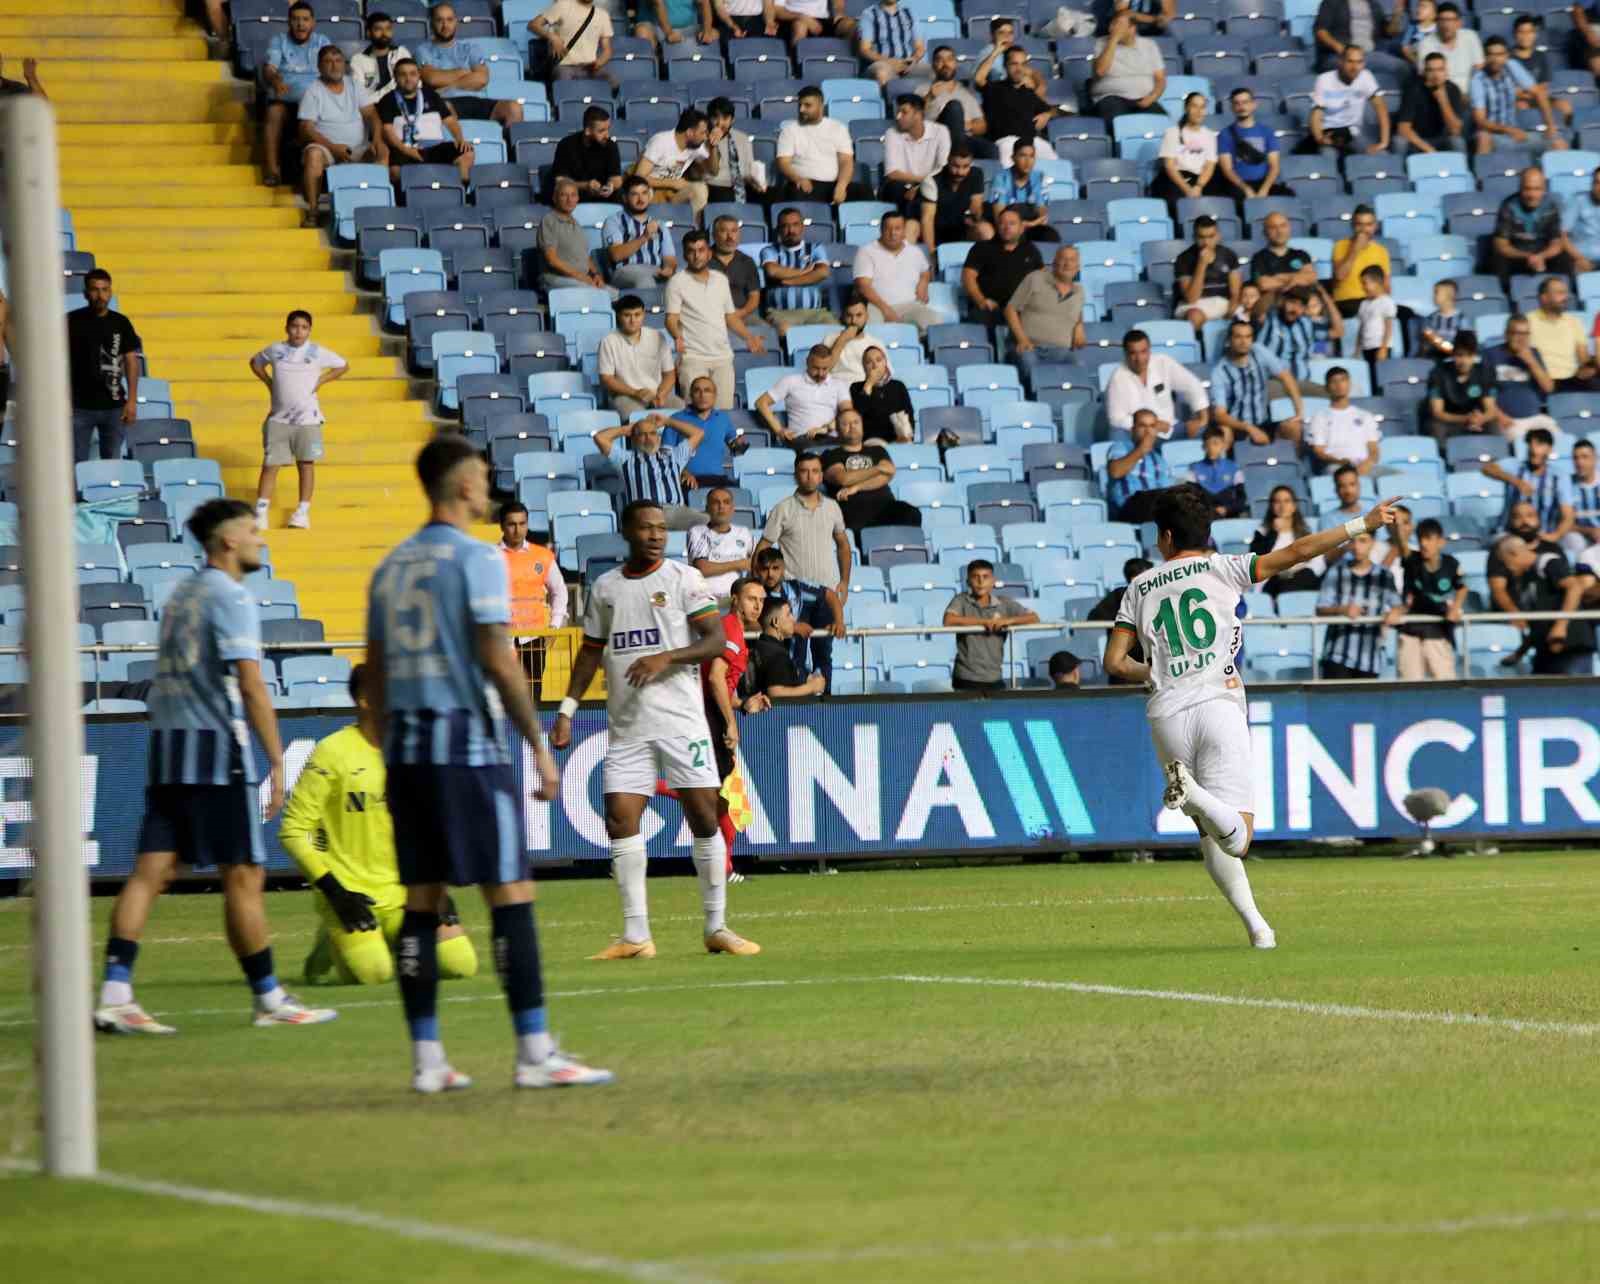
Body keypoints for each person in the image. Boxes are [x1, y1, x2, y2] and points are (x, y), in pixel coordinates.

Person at [1105, 486, 1403, 946]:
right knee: (1238, 838)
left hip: (1166, 715)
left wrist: (1154, 670)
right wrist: (1362, 524)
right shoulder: (1224, 568)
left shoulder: (1139, 587)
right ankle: (1195, 795)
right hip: (1217, 706)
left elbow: (1114, 663)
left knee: (1210, 838)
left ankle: (1258, 928)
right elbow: (1299, 551)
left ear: (1164, 537)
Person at [93, 497, 335, 1036]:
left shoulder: (182, 594)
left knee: (150, 872)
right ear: (227, 541)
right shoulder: (232, 596)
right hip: (214, 750)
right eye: (252, 530)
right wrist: (275, 760)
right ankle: (269, 996)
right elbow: (250, 682)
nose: (261, 537)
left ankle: (115, 991)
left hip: (169, 745)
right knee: (244, 874)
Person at [551, 499, 761, 959]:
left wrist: (668, 656)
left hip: (681, 722)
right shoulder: (605, 588)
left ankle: (716, 926)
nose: (656, 535)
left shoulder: (684, 579)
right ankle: (635, 935)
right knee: (620, 820)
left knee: (704, 817)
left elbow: (712, 641)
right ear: (627, 531)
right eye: (646, 528)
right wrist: (567, 709)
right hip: (627, 726)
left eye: (662, 529)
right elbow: (590, 652)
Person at [282, 665, 480, 988]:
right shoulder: (332, 752)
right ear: (364, 700)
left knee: (460, 965)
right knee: (375, 973)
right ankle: (332, 938)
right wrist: (335, 893)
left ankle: (380, 937)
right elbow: (292, 831)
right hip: (350, 893)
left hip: (404, 893)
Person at [754, 455, 852, 684]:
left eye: (815, 471)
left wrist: (845, 582)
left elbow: (843, 545)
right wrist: (760, 586)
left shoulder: (832, 507)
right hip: (793, 597)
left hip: (825, 595)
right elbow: (763, 548)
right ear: (796, 474)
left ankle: (824, 705)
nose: (810, 476)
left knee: (823, 655)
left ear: (821, 474)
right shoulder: (783, 509)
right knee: (793, 653)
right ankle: (795, 702)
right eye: (804, 471)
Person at [249, 309, 345, 533]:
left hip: (308, 419)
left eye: (304, 327)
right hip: (279, 418)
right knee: (271, 464)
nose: (298, 331)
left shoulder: (317, 351)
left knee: (306, 464)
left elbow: (343, 365)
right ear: (287, 328)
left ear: (309, 330)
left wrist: (322, 380)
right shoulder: (276, 350)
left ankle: (302, 511)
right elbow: (255, 362)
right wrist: (268, 382)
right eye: (294, 326)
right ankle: (261, 511)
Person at [666, 229, 767, 408]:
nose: (697, 256)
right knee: (695, 414)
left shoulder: (720, 279)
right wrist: (676, 335)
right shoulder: (676, 282)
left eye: (701, 250)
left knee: (723, 414)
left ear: (709, 253)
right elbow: (671, 319)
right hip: (693, 358)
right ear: (684, 255)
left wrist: (748, 337)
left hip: (723, 358)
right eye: (691, 251)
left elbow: (730, 317)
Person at [296, 46, 385, 227]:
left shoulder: (354, 85)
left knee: (382, 152)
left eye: (338, 61)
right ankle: (313, 211)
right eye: (328, 62)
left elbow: (372, 116)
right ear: (319, 66)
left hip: (358, 147)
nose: (334, 66)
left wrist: (376, 140)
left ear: (344, 65)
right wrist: (333, 148)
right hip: (327, 149)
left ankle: (378, 211)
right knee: (313, 155)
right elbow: (306, 129)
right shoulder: (313, 90)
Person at [1489, 533, 1597, 673]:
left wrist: (1560, 626)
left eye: (1505, 563)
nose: (1507, 569)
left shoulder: (1547, 562)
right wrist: (1519, 653)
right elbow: (1538, 623)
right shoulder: (1525, 581)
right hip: (1546, 652)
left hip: (1571, 647)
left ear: (1514, 553)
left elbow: (1574, 587)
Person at [67, 268, 141, 464]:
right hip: (78, 406)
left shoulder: (121, 322)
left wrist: (132, 400)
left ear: (111, 292)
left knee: (112, 463)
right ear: (85, 293)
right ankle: (76, 496)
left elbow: (131, 360)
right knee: (76, 463)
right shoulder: (70, 321)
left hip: (114, 406)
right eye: (95, 290)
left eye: (105, 289)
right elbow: (57, 361)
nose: (100, 295)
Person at [411, 1, 524, 128]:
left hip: (476, 100)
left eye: (449, 20)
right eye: (440, 20)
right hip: (445, 101)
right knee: (445, 109)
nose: (445, 25)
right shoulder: (423, 50)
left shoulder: (470, 48)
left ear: (456, 22)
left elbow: (482, 79)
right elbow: (432, 78)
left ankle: (504, 146)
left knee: (513, 108)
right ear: (431, 23)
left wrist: (448, 86)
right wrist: (464, 73)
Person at [260, 1, 331, 188]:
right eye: (296, 19)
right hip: (287, 101)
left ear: (313, 22)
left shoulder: (322, 41)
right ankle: (272, 170)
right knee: (274, 112)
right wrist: (275, 80)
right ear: (289, 22)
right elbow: (269, 68)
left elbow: (332, 69)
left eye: (305, 19)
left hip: (316, 103)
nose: (301, 24)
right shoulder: (279, 41)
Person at [820, 406, 922, 533]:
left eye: (856, 422)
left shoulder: (877, 450)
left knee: (911, 514)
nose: (852, 427)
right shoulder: (830, 455)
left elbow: (889, 472)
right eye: (845, 423)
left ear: (862, 425)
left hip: (885, 508)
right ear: (838, 429)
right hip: (854, 512)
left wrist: (856, 487)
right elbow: (843, 478)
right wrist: (878, 468)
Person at [594, 413, 704, 530]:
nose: (648, 437)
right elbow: (599, 438)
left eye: (652, 433)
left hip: (675, 512)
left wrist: (668, 422)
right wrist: (624, 429)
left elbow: (698, 433)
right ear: (633, 438)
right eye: (642, 434)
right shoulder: (625, 459)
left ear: (658, 437)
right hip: (645, 513)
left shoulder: (674, 456)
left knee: (707, 523)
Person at [1316, 529, 1402, 678]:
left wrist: (1396, 611)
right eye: (1353, 541)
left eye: (1363, 541)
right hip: (1337, 657)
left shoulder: (1384, 575)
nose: (1357, 546)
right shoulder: (1336, 572)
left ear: (1372, 543)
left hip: (1370, 659)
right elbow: (1320, 609)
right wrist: (1341, 610)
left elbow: (1398, 605)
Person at [498, 500, 569, 681]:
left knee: (534, 697)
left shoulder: (542, 556)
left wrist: (555, 624)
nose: (517, 529)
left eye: (522, 523)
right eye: (512, 524)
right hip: (502, 638)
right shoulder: (490, 556)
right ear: (502, 526)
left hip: (533, 638)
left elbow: (559, 590)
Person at [943, 559, 1038, 691]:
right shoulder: (961, 600)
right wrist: (984, 622)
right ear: (968, 581)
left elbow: (1034, 618)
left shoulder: (1004, 603)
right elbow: (948, 620)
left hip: (994, 677)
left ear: (993, 581)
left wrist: (1006, 621)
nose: (981, 582)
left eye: (985, 577)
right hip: (966, 677)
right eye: (975, 577)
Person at [377, 57, 473, 187]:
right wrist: (407, 151)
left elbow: (450, 121)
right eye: (403, 74)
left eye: (412, 74)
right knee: (395, 171)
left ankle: (460, 195)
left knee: (467, 152)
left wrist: (460, 138)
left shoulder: (431, 95)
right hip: (404, 149)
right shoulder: (387, 100)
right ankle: (404, 202)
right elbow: (387, 131)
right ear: (395, 77)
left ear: (419, 76)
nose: (408, 78)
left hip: (434, 148)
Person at [1209, 318, 1306, 447]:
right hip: (1238, 427)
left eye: (1248, 337)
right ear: (1229, 340)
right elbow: (1220, 415)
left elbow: (1285, 375)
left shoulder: (1258, 351)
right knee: (1224, 432)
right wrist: (1249, 428)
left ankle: (1292, 466)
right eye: (1238, 337)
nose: (1244, 342)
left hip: (1263, 423)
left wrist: (1298, 410)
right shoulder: (1219, 372)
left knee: (1293, 428)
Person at [1005, 244, 1087, 391]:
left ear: (1078, 266)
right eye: (1063, 259)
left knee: (1079, 367)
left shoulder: (1079, 291)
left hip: (1061, 351)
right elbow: (1010, 309)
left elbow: (1075, 312)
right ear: (1054, 262)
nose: (1067, 264)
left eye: (1072, 260)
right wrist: (1022, 339)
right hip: (1031, 348)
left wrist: (1079, 326)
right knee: (1029, 365)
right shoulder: (1035, 278)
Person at [853, 211, 949, 332]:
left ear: (904, 231)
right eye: (888, 229)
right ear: (881, 230)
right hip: (876, 306)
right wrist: (886, 310)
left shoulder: (915, 251)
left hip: (910, 305)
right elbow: (863, 286)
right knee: (873, 327)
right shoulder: (866, 251)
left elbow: (925, 271)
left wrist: (923, 283)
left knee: (936, 321)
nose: (893, 233)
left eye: (897, 228)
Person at [1394, 517, 1466, 678]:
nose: (1423, 543)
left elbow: (1462, 588)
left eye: (1428, 539)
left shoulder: (1451, 564)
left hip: (1439, 631)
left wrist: (1455, 608)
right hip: (1411, 629)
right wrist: (1397, 527)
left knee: (1444, 683)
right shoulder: (1412, 560)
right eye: (1420, 539)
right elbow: (1401, 545)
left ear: (1441, 542)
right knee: (1410, 684)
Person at [1105, 327, 1211, 435]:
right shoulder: (1118, 377)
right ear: (1125, 354)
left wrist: (1203, 419)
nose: (1139, 358)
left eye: (1143, 352)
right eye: (1133, 353)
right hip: (1137, 434)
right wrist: (1150, 425)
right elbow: (1116, 419)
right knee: (1117, 436)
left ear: (1150, 350)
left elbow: (1193, 385)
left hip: (1170, 429)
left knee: (1209, 434)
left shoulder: (1163, 362)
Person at [1472, 35, 1564, 155]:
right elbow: (1480, 120)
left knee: (1558, 143)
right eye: (1491, 54)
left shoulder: (1511, 66)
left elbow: (1539, 93)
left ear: (1506, 55)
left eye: (1500, 54)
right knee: (1483, 137)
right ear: (1485, 57)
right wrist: (1508, 130)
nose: (1495, 59)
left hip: (1515, 133)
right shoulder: (1477, 79)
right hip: (1492, 135)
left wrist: (1550, 126)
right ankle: (1483, 171)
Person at [1484, 425, 1574, 543]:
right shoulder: (1515, 466)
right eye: (1530, 444)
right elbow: (1487, 468)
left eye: (1539, 444)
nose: (1533, 449)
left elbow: (1568, 515)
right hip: (1509, 535)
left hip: (1543, 536)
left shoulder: (1559, 476)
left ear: (1550, 449)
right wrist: (1515, 481)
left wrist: (1555, 536)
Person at [775, 87, 864, 205]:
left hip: (834, 184)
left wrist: (841, 186)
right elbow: (783, 163)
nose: (801, 109)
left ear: (820, 106)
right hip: (805, 184)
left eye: (807, 105)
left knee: (863, 192)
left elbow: (846, 161)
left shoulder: (838, 128)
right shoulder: (789, 130)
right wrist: (798, 179)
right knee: (795, 192)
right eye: (800, 105)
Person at [980, 46, 1070, 164]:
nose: (1019, 69)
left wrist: (1048, 114)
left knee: (1058, 168)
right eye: (1014, 64)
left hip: (1033, 142)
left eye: (1023, 64)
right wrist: (997, 51)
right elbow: (979, 78)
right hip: (1007, 142)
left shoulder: (1028, 93)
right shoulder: (995, 88)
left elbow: (1063, 110)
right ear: (1005, 66)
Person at [598, 294, 681, 418]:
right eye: (627, 315)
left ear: (643, 315)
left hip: (656, 392)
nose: (633, 320)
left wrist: (662, 394)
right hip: (625, 396)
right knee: (636, 417)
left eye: (637, 315)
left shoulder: (657, 337)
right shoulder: (608, 341)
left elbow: (669, 374)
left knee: (682, 410)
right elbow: (607, 379)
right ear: (618, 316)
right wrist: (636, 393)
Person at [759, 206, 836, 336]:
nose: (791, 230)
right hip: (781, 313)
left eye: (795, 225)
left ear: (802, 227)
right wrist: (806, 271)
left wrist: (788, 281)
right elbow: (773, 271)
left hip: (815, 313)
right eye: (785, 226)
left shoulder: (815, 248)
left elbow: (822, 273)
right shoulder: (770, 250)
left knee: (834, 330)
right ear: (778, 229)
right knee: (784, 331)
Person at [1492, 167, 1576, 285]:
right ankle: (1507, 297)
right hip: (1517, 254)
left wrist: (1541, 256)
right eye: (1527, 189)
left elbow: (1557, 243)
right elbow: (1501, 245)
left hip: (1543, 254)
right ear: (1520, 189)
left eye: (1537, 189)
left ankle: (1566, 292)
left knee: (1564, 259)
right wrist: (1527, 256)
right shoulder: (1508, 206)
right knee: (1500, 260)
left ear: (1544, 189)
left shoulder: (1551, 207)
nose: (1532, 195)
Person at [1306, 43, 1389, 161]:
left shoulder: (1366, 77)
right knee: (1328, 157)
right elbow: (1316, 114)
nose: (1355, 67)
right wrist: (1319, 138)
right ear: (1341, 61)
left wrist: (1384, 142)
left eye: (1359, 62)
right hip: (1328, 132)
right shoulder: (1324, 79)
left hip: (1353, 133)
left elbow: (1381, 107)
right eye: (1350, 61)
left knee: (1379, 157)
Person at [961, 207, 1043, 326]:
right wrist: (981, 301)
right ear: (997, 227)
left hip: (1022, 308)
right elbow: (968, 277)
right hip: (990, 308)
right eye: (1002, 223)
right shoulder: (981, 248)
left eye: (1012, 223)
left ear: (1021, 228)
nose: (1006, 227)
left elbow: (1042, 278)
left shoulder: (1030, 250)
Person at [1484, 311, 1559, 441]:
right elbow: (1484, 394)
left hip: (1535, 418)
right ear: (1507, 334)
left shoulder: (1534, 354)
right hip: (1509, 421)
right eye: (1517, 333)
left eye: (1525, 334)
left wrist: (1531, 362)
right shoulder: (1491, 354)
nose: (1521, 338)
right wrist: (1500, 416)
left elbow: (1549, 388)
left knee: (1559, 438)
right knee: (1523, 443)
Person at [882, 95, 951, 235]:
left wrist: (923, 185)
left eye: (904, 112)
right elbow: (892, 173)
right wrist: (923, 183)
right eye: (897, 112)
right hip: (904, 186)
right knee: (895, 188)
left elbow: (943, 167)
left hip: (931, 184)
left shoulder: (941, 131)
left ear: (918, 114)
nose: (898, 116)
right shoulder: (892, 133)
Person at [757, 345, 851, 445]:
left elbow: (848, 412)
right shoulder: (791, 381)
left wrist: (826, 428)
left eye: (825, 369)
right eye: (816, 368)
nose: (820, 373)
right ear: (807, 362)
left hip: (831, 438)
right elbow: (761, 403)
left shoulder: (839, 384)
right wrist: (779, 430)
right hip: (801, 439)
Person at [1151, 92, 1228, 212]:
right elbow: (1170, 166)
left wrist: (1198, 186)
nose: (1198, 111)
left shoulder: (1209, 134)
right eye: (1194, 106)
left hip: (1200, 180)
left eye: (1202, 107)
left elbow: (1209, 165)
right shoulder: (1172, 132)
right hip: (1177, 180)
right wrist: (1187, 189)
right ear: (1186, 108)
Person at [1256, 286, 1343, 390]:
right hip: (1274, 384)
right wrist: (1280, 286)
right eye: (1292, 302)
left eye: (1301, 305)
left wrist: (1324, 295)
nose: (1295, 309)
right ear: (1282, 302)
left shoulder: (1306, 324)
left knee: (1329, 395)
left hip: (1303, 383)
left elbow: (1338, 331)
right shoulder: (1269, 319)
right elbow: (1258, 309)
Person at [603, 176, 679, 290]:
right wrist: (644, 237)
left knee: (683, 282)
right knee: (645, 280)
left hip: (655, 270)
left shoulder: (660, 225)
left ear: (649, 196)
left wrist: (669, 269)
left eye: (644, 193)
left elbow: (670, 258)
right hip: (626, 271)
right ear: (625, 198)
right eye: (634, 194)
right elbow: (616, 255)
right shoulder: (614, 221)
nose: (641, 198)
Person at [1424, 331, 1499, 446]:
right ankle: (1446, 459)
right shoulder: (1438, 374)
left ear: (1474, 355)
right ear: (1453, 354)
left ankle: (1494, 460)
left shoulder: (1485, 372)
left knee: (1493, 425)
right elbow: (1437, 412)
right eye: (1459, 355)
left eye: (1469, 355)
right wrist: (1465, 418)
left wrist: (1481, 419)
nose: (1464, 361)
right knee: (1436, 427)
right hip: (1450, 422)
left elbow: (1491, 409)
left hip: (1476, 421)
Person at [1526, 275, 1600, 391]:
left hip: (1573, 378)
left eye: (1565, 293)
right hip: (1542, 379)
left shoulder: (1573, 321)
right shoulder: (1527, 321)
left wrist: (1589, 367)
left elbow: (1583, 357)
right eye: (1559, 293)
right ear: (1544, 297)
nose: (1565, 297)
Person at [634, 108, 713, 217]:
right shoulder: (660, 141)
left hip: (673, 194)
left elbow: (713, 171)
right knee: (642, 193)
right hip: (650, 190)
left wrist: (713, 146)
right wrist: (671, 183)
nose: (705, 137)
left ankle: (694, 230)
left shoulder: (696, 147)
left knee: (700, 189)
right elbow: (639, 178)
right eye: (703, 133)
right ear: (690, 132)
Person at [1217, 88, 1289, 207]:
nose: (1241, 107)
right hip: (1238, 184)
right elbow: (1227, 169)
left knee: (1287, 196)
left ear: (1253, 105)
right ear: (1232, 108)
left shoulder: (1267, 132)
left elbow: (1274, 166)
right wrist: (1245, 189)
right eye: (1237, 103)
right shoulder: (1225, 134)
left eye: (1245, 102)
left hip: (1263, 183)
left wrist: (1264, 190)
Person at [1090, 11, 1165, 124]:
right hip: (1111, 97)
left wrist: (1153, 97)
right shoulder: (1101, 43)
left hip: (1144, 99)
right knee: (1120, 124)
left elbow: (1160, 79)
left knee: (1163, 124)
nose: (1112, 28)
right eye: (1112, 24)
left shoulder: (1149, 45)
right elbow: (1100, 71)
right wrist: (1113, 40)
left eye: (1118, 25)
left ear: (1132, 28)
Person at [745, 597, 828, 699]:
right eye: (788, 614)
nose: (793, 619)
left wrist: (804, 679)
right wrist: (811, 687)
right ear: (776, 622)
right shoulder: (777, 655)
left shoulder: (759, 646)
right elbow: (775, 692)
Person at [923, 46, 997, 160]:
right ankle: (956, 159)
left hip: (964, 139)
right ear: (933, 65)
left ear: (955, 64)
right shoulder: (923, 89)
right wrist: (929, 96)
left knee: (991, 149)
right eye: (940, 60)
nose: (945, 64)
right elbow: (914, 119)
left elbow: (982, 126)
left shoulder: (967, 93)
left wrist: (967, 125)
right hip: (936, 139)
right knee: (955, 107)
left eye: (949, 59)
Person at [1250, 484, 1325, 596]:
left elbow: (1319, 562)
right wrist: (1273, 533)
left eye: (1287, 501)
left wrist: (1304, 572)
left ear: (1294, 506)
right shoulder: (1262, 533)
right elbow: (1258, 561)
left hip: (1301, 578)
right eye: (1277, 502)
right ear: (1271, 506)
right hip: (1273, 581)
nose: (1282, 506)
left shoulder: (1305, 532)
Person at [1173, 214, 1242, 334]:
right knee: (1194, 316)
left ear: (1218, 236)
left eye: (1211, 236)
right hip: (1195, 305)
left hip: (1222, 302)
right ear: (1194, 237)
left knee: (1248, 313)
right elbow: (1191, 298)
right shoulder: (1183, 259)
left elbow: (1235, 293)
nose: (1206, 242)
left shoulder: (1229, 255)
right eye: (1201, 237)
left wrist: (1232, 308)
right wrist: (1202, 264)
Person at [1104, 408, 1176, 523]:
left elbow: (1167, 490)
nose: (1148, 431)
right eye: (1143, 426)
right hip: (1129, 506)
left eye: (1152, 426)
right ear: (1133, 430)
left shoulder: (1159, 459)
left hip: (1156, 506)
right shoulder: (1121, 447)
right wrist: (1142, 449)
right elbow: (1115, 472)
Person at [541, 178, 611, 293]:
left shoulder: (577, 224)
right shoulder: (549, 221)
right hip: (556, 278)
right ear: (554, 198)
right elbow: (552, 260)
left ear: (578, 199)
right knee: (592, 292)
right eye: (564, 195)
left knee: (614, 295)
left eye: (573, 195)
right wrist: (579, 276)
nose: (569, 200)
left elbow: (585, 256)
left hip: (580, 279)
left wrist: (595, 274)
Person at [1392, 51, 1468, 156]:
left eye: (1440, 70)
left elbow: (1455, 130)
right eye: (1431, 70)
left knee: (1457, 142)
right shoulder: (1413, 89)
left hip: (1441, 140)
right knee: (1399, 141)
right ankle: (1397, 172)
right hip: (1417, 141)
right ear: (1424, 72)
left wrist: (1443, 100)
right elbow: (1403, 128)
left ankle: (1462, 171)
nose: (1435, 75)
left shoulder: (1453, 89)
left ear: (1446, 72)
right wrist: (1429, 149)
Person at [1305, 367, 1381, 473]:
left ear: (1349, 384)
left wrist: (1367, 463)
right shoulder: (1320, 417)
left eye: (1343, 380)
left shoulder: (1365, 415)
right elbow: (1319, 451)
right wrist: (1341, 462)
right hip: (1336, 466)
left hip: (1365, 465)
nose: (1339, 385)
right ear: (1327, 387)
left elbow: (1373, 449)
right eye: (1334, 381)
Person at [688, 488, 756, 598]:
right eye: (716, 502)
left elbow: (757, 562)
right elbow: (702, 568)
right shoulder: (697, 532)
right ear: (707, 508)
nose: (721, 506)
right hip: (706, 599)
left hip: (736, 599)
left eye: (726, 502)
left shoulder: (744, 532)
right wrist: (739, 564)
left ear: (732, 508)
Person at [920, 143, 989, 249]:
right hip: (937, 229)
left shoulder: (976, 174)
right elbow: (927, 219)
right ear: (948, 161)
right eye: (955, 166)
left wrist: (975, 219)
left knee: (985, 229)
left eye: (965, 166)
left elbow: (976, 208)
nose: (960, 172)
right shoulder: (931, 181)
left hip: (962, 228)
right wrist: (931, 252)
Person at [986, 138, 1056, 244]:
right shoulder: (1001, 178)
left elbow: (1043, 212)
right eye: (1022, 156)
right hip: (1008, 227)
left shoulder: (1039, 177)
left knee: (1051, 236)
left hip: (1031, 225)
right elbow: (998, 216)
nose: (1028, 161)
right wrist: (1017, 227)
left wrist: (1030, 224)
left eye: (1031, 156)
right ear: (1013, 158)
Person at [549, 105, 622, 202]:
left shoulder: (610, 145)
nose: (607, 135)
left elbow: (616, 178)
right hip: (573, 200)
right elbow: (560, 181)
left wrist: (610, 185)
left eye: (608, 129)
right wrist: (585, 186)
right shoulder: (566, 145)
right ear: (587, 131)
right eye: (601, 131)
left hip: (603, 199)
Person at [529, 0, 614, 83]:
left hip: (590, 68)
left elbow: (607, 50)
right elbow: (533, 25)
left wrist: (599, 62)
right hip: (564, 66)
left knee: (613, 83)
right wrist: (552, 37)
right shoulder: (562, 5)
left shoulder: (603, 15)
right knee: (566, 81)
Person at [1312, 0, 1406, 75]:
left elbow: (1388, 33)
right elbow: (1321, 31)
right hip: (1338, 55)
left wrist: (1397, 14)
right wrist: (1342, 49)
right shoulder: (1332, 2)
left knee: (1404, 65)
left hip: (1371, 53)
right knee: (1400, 66)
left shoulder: (1374, 5)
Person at [1249, 214, 1319, 311]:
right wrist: (1297, 278)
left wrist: (1278, 278)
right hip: (1273, 307)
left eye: (1283, 226)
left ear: (1289, 228)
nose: (1279, 231)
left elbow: (1312, 278)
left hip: (1302, 307)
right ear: (1265, 232)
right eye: (1273, 227)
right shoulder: (1258, 257)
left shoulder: (1301, 254)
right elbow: (1264, 284)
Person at [702, 97, 764, 207]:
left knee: (771, 195)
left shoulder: (743, 138)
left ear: (732, 119)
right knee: (726, 196)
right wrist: (713, 146)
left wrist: (755, 182)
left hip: (741, 185)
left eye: (725, 118)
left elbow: (748, 169)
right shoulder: (702, 139)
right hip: (716, 186)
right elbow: (713, 172)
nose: (720, 123)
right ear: (709, 119)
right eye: (715, 118)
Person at [1415, 2, 1484, 96]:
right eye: (1442, 20)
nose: (1446, 24)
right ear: (1436, 22)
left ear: (1459, 23)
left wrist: (1472, 93)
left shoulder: (1471, 36)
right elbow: (1426, 75)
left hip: (1472, 93)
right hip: (1442, 93)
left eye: (1450, 20)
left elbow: (1479, 67)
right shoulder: (1425, 44)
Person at [850, 345, 915, 443]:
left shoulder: (898, 386)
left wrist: (906, 435)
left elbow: (908, 415)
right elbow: (856, 417)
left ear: (885, 363)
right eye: (869, 362)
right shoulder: (856, 388)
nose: (874, 365)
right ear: (864, 367)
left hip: (898, 440)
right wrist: (869, 385)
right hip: (870, 441)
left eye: (878, 360)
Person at [824, 295, 894, 386]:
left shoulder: (876, 343)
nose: (854, 321)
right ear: (843, 317)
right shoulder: (830, 339)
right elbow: (823, 370)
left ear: (867, 316)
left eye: (859, 315)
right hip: (839, 391)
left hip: (866, 391)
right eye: (849, 315)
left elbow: (886, 376)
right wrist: (841, 340)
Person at [709, 215, 762, 329]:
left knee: (766, 333)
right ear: (714, 236)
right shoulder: (702, 261)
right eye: (724, 231)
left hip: (743, 316)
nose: (730, 237)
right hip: (710, 318)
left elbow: (754, 297)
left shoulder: (747, 262)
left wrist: (740, 313)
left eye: (734, 231)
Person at [858, 0, 927, 86]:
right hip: (881, 62)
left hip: (906, 62)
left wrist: (914, 59)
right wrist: (889, 61)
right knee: (882, 72)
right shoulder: (869, 14)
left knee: (931, 71)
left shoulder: (909, 13)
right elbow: (864, 50)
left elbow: (920, 47)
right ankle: (886, 99)